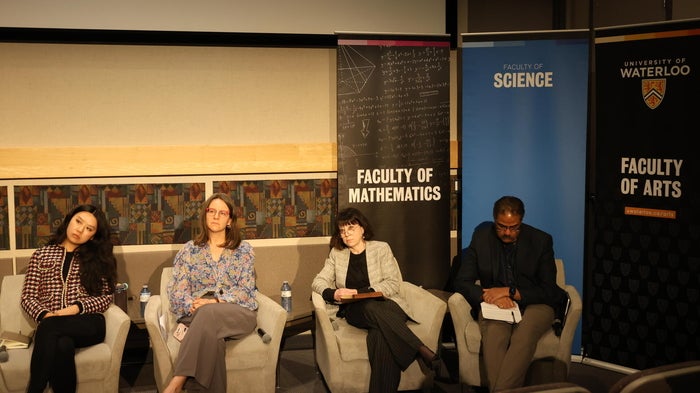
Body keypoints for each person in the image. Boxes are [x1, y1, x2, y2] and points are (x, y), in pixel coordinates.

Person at [311, 207, 440, 393]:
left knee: (380, 336)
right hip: (356, 310)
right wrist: (334, 293)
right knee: (369, 307)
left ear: (362, 229)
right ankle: (420, 349)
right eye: (342, 231)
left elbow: (393, 283)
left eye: (351, 229)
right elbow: (318, 281)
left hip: (388, 306)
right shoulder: (337, 254)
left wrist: (363, 291)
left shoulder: (381, 248)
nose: (346, 235)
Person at [453, 195, 567, 392]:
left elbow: (548, 290)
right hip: (496, 305)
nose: (507, 232)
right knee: (495, 335)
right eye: (501, 226)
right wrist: (487, 295)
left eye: (513, 227)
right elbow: (462, 281)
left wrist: (509, 292)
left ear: (521, 221)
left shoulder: (540, 241)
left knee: (524, 334)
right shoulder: (481, 238)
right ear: (494, 219)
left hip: (535, 302)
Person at [163, 193, 257, 393]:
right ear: (205, 216)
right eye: (211, 211)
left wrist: (215, 301)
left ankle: (177, 382)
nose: (216, 216)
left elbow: (246, 292)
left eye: (222, 213)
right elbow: (176, 292)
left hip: (237, 313)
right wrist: (193, 304)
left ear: (229, 220)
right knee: (213, 341)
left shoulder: (244, 250)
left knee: (208, 313)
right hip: (199, 314)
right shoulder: (189, 251)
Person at [21, 204, 117, 393]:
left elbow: (106, 297)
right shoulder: (41, 255)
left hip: (88, 323)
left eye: (89, 229)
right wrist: (45, 314)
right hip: (53, 324)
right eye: (78, 222)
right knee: (62, 344)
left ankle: (34, 389)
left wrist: (75, 308)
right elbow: (28, 297)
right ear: (69, 220)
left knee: (50, 328)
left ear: (93, 236)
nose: (80, 230)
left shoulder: (97, 259)